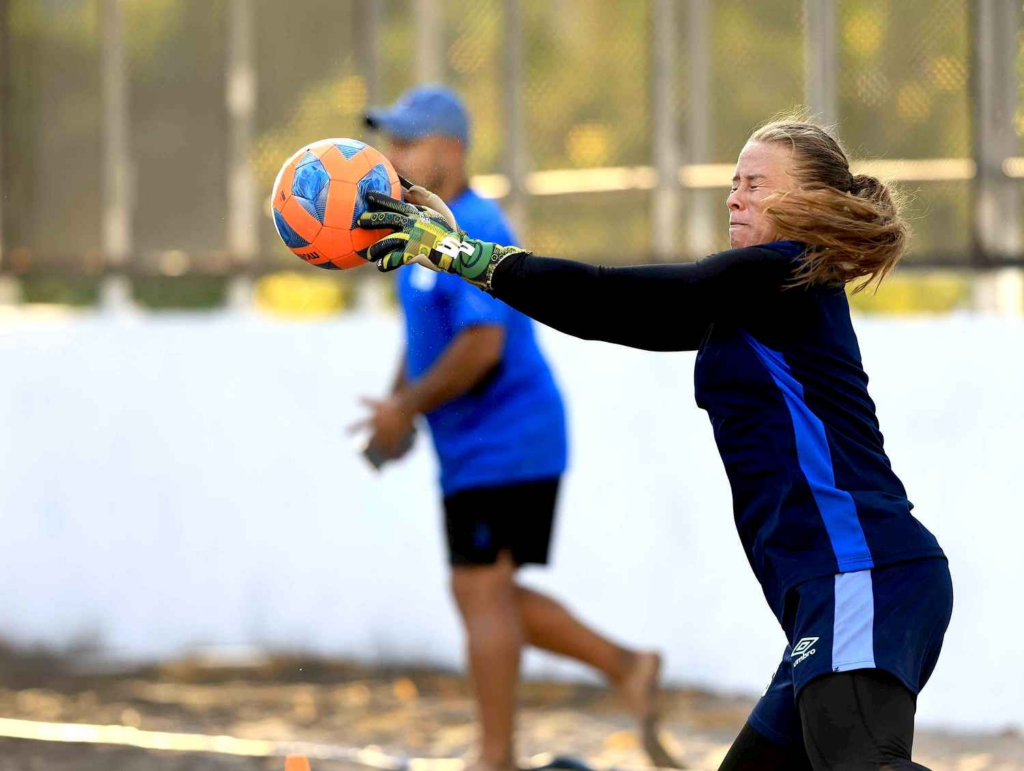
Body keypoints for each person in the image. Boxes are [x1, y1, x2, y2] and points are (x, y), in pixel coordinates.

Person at [356, 118, 954, 771]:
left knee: (862, 764)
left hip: (861, 570)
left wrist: (463, 255)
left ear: (810, 203)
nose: (734, 198)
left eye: (755, 185)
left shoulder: (782, 274)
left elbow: (612, 294)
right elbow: (605, 312)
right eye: (734, 184)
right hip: (839, 587)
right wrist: (469, 254)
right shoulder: (759, 296)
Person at [353, 85, 670, 771]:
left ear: (450, 150)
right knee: (486, 593)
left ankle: (495, 759)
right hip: (483, 445)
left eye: (409, 143)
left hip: (510, 437)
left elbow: (480, 348)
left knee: (478, 591)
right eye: (393, 142)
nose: (395, 156)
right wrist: (394, 404)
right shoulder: (420, 226)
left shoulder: (470, 225)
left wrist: (406, 409)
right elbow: (426, 340)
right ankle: (627, 665)